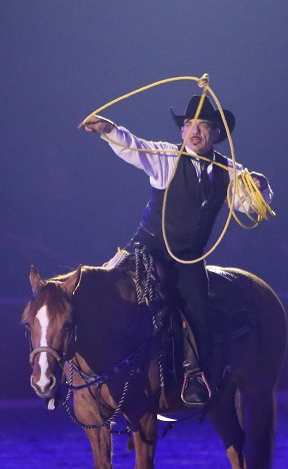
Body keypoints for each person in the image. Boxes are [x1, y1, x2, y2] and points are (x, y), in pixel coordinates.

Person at [79, 95, 273, 406]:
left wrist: (260, 187)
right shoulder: (167, 157)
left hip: (189, 257)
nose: (194, 131)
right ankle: (85, 367)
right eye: (188, 125)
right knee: (106, 287)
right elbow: (134, 147)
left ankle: (193, 377)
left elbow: (248, 205)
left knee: (198, 308)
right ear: (181, 132)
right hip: (148, 246)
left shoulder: (230, 170)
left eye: (203, 126)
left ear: (217, 135)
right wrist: (109, 128)